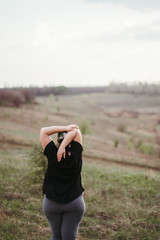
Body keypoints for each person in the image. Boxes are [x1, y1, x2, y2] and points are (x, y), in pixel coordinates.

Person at [40, 124, 85, 240]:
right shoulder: (76, 154)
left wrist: (64, 128)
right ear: (70, 141)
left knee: (56, 236)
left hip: (51, 204)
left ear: (57, 140)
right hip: (74, 203)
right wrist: (64, 146)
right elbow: (76, 131)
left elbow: (43, 131)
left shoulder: (52, 153)